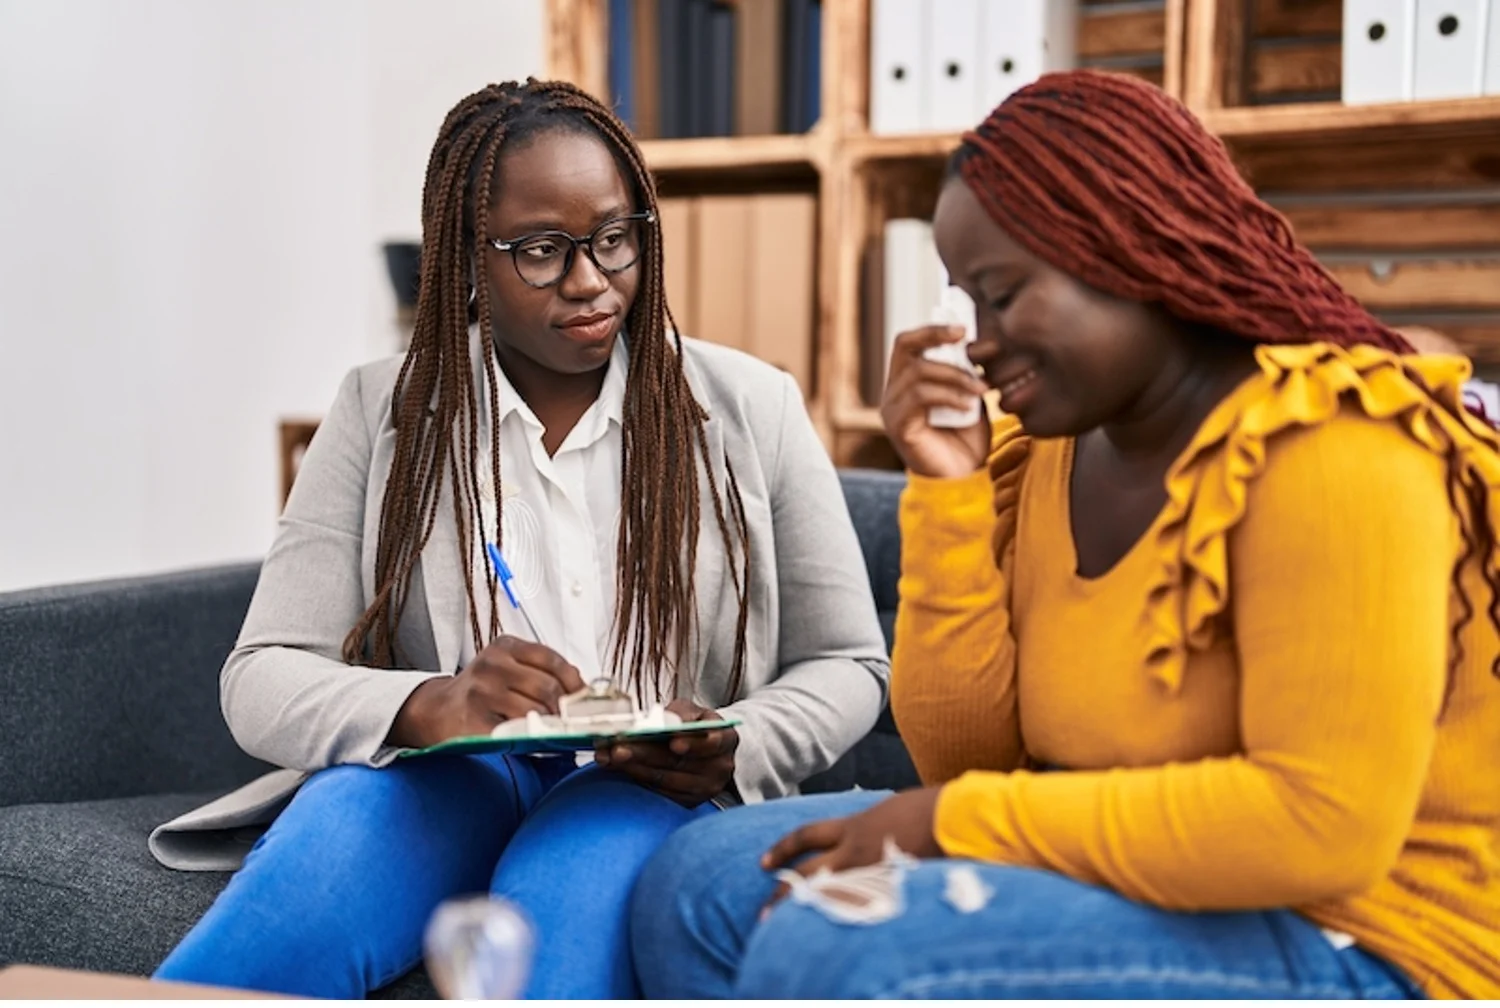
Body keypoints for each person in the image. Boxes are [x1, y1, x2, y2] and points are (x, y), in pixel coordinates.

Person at [630, 70, 1500, 1000]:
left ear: (1136, 250)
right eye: (968, 301)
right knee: (699, 886)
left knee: (842, 946)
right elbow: (971, 765)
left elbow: (1320, 826)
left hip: (1368, 935)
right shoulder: (1053, 453)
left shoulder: (1337, 448)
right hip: (1144, 876)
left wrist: (949, 824)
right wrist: (949, 492)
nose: (977, 341)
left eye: (1003, 295)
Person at [150, 78, 889, 999]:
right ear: (465, 258)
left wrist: (735, 741)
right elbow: (261, 674)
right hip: (451, 782)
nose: (590, 281)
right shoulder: (383, 410)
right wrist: (432, 704)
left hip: (646, 792)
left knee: (568, 911)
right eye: (541, 251)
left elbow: (852, 663)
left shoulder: (752, 407)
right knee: (308, 880)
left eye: (615, 239)